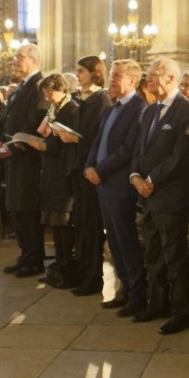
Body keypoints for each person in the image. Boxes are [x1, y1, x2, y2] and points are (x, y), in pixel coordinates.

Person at [131, 58, 189, 334]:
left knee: (174, 255)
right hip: (147, 195)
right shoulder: (150, 110)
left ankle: (180, 311)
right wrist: (135, 176)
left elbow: (181, 156)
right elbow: (139, 148)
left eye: (154, 75)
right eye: (148, 75)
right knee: (153, 253)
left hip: (170, 195)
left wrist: (151, 179)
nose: (149, 80)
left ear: (171, 78)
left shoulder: (187, 110)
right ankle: (156, 304)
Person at [85, 59, 149, 314]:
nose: (111, 80)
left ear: (132, 80)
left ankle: (137, 295)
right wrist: (89, 165)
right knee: (113, 240)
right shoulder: (111, 109)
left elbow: (128, 149)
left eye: (116, 76)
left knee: (125, 240)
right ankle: (124, 290)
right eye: (111, 75)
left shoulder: (139, 108)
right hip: (103, 183)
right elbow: (97, 141)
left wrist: (99, 170)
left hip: (119, 184)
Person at [69, 56, 113, 296]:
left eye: (81, 71)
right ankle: (83, 270)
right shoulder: (81, 98)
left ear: (94, 73)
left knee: (91, 224)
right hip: (77, 167)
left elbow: (98, 138)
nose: (78, 75)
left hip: (91, 170)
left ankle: (94, 275)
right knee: (81, 223)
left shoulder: (101, 100)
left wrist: (76, 139)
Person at [1, 44, 46, 277]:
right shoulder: (21, 86)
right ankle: (24, 254)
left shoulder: (38, 86)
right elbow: (9, 119)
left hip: (28, 159)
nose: (15, 61)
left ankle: (34, 258)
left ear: (33, 60)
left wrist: (14, 148)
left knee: (27, 210)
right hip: (14, 156)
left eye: (19, 57)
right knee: (17, 209)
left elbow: (34, 120)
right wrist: (3, 142)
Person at [34, 73, 83, 286]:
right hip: (50, 171)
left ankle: (67, 267)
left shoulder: (71, 109)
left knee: (63, 223)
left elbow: (69, 141)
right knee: (53, 222)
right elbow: (45, 132)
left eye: (49, 91)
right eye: (44, 92)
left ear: (62, 89)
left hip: (63, 172)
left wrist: (46, 146)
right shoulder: (53, 110)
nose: (47, 96)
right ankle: (58, 264)